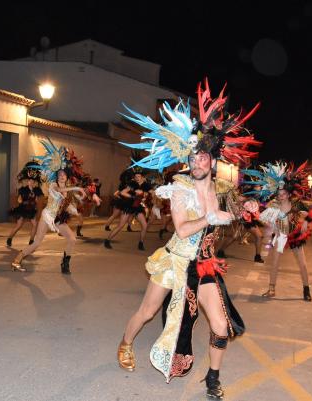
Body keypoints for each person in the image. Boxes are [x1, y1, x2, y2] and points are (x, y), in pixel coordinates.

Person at [116, 79, 259, 398]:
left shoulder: (222, 189)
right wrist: (209, 217)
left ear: (213, 159)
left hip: (205, 267)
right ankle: (125, 344)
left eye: (203, 158)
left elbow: (240, 211)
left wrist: (249, 206)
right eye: (193, 158)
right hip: (176, 261)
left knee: (221, 326)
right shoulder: (179, 188)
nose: (197, 163)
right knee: (149, 311)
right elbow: (181, 229)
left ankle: (212, 378)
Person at [245, 161, 312, 302]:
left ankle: (306, 289)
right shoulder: (274, 205)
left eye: (284, 193)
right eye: (279, 194)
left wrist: (307, 222)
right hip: (280, 235)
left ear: (288, 193)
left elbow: (310, 213)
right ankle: (271, 289)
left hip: (295, 235)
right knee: (275, 262)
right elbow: (264, 219)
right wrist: (253, 210)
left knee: (302, 263)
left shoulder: (296, 203)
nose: (281, 196)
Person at [11, 138, 86, 274]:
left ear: (67, 177)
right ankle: (17, 260)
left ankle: (65, 264)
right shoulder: (53, 186)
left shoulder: (68, 190)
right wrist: (77, 188)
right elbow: (59, 192)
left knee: (72, 239)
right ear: (57, 176)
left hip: (57, 218)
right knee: (36, 243)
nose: (62, 176)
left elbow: (68, 205)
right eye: (60, 174)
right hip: (47, 216)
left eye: (64, 174)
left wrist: (77, 208)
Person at [104, 169, 152, 250]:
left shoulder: (146, 185)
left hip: (137, 207)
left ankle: (141, 243)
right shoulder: (132, 184)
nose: (137, 178)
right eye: (136, 176)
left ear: (143, 178)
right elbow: (122, 193)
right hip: (129, 206)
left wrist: (145, 194)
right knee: (121, 225)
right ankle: (107, 240)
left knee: (144, 225)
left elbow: (152, 193)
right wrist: (133, 196)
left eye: (139, 177)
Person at [6, 162, 44, 247]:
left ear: (34, 182)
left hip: (31, 210)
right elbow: (19, 200)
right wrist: (20, 200)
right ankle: (10, 238)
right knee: (19, 225)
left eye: (32, 181)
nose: (30, 182)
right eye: (29, 180)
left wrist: (36, 202)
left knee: (35, 224)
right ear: (27, 181)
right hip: (23, 209)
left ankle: (31, 241)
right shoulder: (23, 189)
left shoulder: (37, 190)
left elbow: (38, 200)